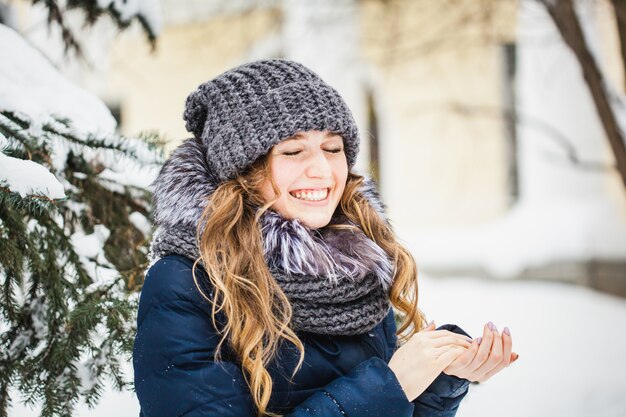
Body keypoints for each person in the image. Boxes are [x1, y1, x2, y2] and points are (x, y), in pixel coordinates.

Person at [133, 59, 519, 417]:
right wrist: (391, 386)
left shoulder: (355, 266)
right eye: (294, 150)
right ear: (242, 172)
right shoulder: (186, 284)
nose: (322, 170)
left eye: (333, 148)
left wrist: (438, 378)